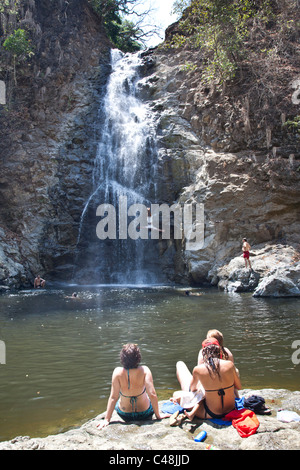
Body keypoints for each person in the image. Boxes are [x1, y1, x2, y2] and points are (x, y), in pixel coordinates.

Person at [97, 343, 164, 429]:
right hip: (144, 413)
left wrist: (107, 419)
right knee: (146, 396)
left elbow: (113, 397)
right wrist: (158, 416)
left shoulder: (117, 372)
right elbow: (152, 394)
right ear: (138, 357)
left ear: (122, 358)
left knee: (119, 400)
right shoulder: (145, 370)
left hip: (125, 414)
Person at [176, 338, 242, 421]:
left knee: (177, 392)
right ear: (220, 351)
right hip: (231, 410)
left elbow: (192, 389)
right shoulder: (230, 365)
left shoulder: (198, 369)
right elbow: (238, 387)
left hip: (210, 413)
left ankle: (193, 412)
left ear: (204, 352)